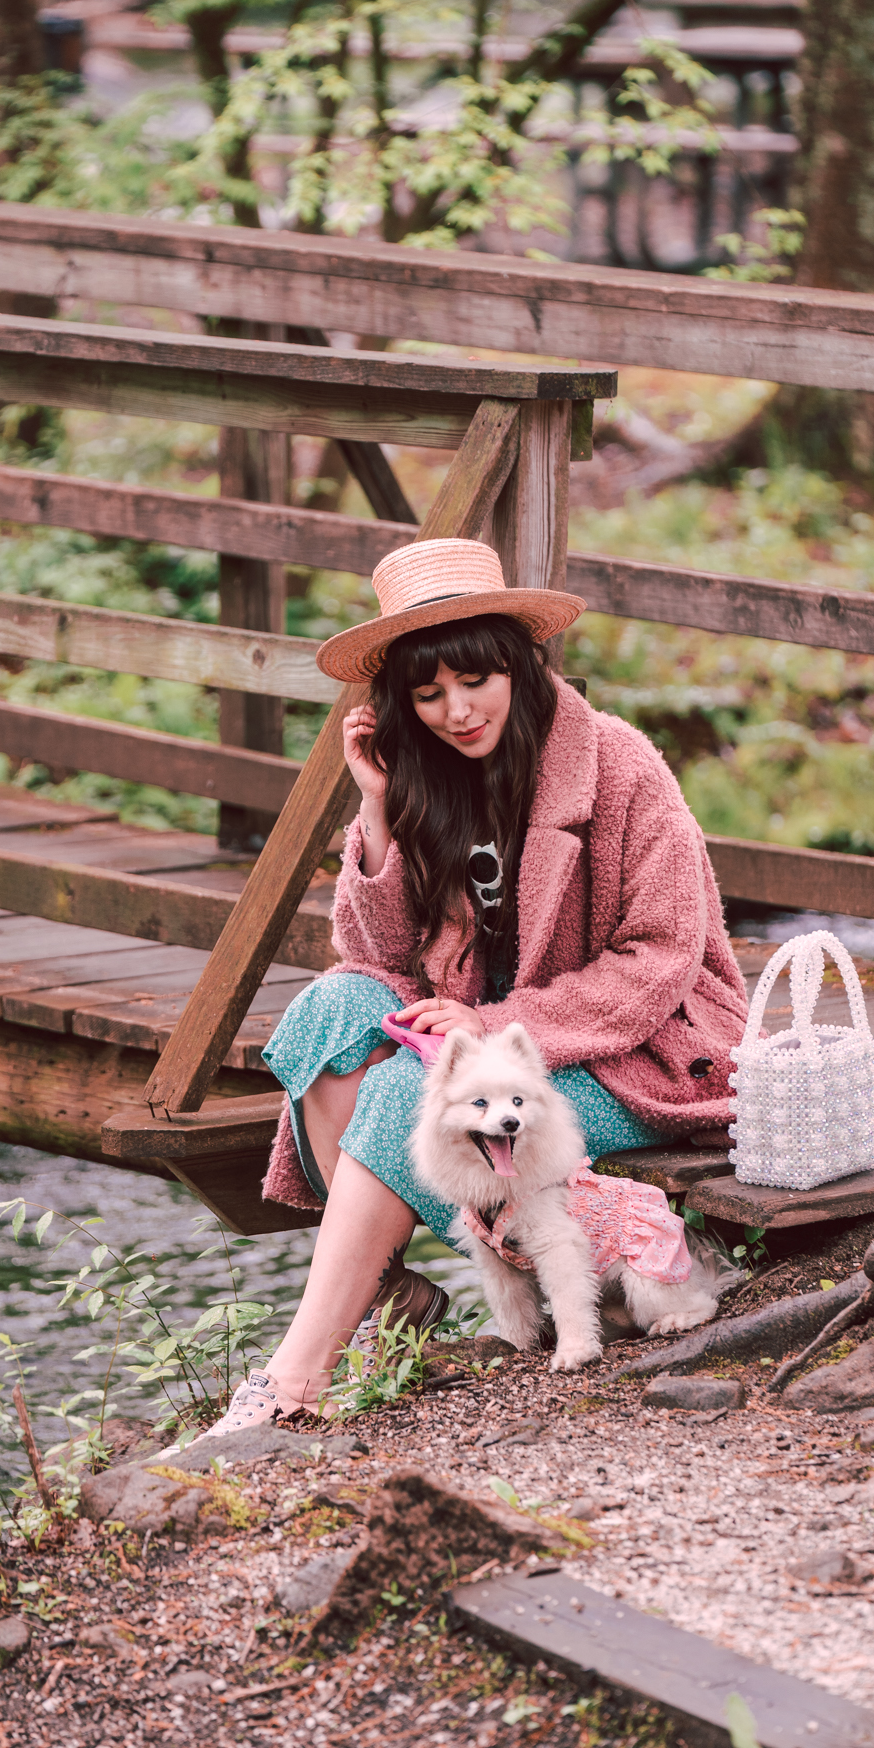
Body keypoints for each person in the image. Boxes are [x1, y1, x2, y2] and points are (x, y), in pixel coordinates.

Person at [202, 537, 748, 1434]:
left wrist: (496, 1021)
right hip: (490, 1053)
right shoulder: (431, 780)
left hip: (632, 1053)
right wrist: (377, 810)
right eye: (428, 694)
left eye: (476, 680)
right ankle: (383, 1292)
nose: (457, 711)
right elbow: (374, 955)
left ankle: (293, 1383)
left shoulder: (621, 767)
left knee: (393, 1090)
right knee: (329, 1013)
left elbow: (659, 959)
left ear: (519, 664)